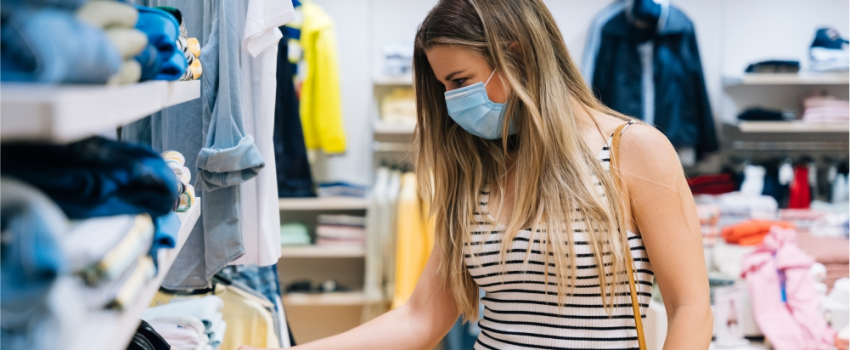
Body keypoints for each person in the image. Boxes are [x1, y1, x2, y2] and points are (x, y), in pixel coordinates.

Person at [240, 0, 712, 348]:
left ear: (518, 54)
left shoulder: (633, 150)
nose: (451, 101)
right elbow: (422, 317)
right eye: (445, 86)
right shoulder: (475, 172)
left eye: (460, 81)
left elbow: (690, 307)